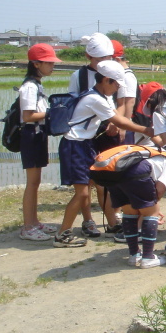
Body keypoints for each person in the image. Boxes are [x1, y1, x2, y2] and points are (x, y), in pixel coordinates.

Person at [54, 61, 154, 247]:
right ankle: (62, 234)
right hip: (75, 146)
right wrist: (146, 130)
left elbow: (115, 118)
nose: (117, 89)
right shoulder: (95, 99)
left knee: (95, 185)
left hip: (84, 145)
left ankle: (107, 224)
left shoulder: (100, 96)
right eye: (116, 84)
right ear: (106, 80)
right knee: (83, 193)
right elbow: (120, 121)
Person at [67, 32, 116, 238]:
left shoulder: (113, 72)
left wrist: (116, 124)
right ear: (89, 57)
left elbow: (117, 100)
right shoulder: (78, 77)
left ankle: (113, 221)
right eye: (100, 60)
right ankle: (88, 220)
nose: (104, 63)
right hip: (85, 135)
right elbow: (73, 105)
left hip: (107, 130)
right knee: (84, 183)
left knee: (105, 179)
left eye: (108, 59)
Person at [111, 145, 166, 268]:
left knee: (129, 212)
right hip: (135, 173)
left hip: (112, 174)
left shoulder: (149, 154)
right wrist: (151, 209)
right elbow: (160, 190)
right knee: (152, 212)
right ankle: (148, 257)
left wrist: (146, 207)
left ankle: (134, 255)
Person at [18, 44, 62, 241]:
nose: (52, 66)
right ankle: (28, 227)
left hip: (37, 134)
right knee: (32, 183)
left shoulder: (36, 85)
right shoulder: (29, 87)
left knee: (36, 182)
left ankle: (34, 222)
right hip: (30, 134)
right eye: (49, 63)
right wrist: (55, 113)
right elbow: (27, 116)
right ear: (36, 64)